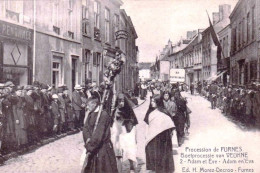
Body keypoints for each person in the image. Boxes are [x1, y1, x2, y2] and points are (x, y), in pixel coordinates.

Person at [81, 98, 118, 173]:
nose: (87, 107)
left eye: (88, 105)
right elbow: (85, 128)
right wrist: (88, 139)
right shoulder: (90, 114)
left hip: (102, 149)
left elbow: (99, 134)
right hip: (92, 146)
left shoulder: (103, 115)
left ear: (94, 104)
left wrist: (90, 147)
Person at [144, 95, 175, 173]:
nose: (152, 103)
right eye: (151, 101)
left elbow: (170, 125)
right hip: (153, 137)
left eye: (154, 101)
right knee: (153, 154)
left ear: (158, 102)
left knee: (163, 155)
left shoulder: (164, 112)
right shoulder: (150, 113)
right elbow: (148, 125)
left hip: (163, 138)